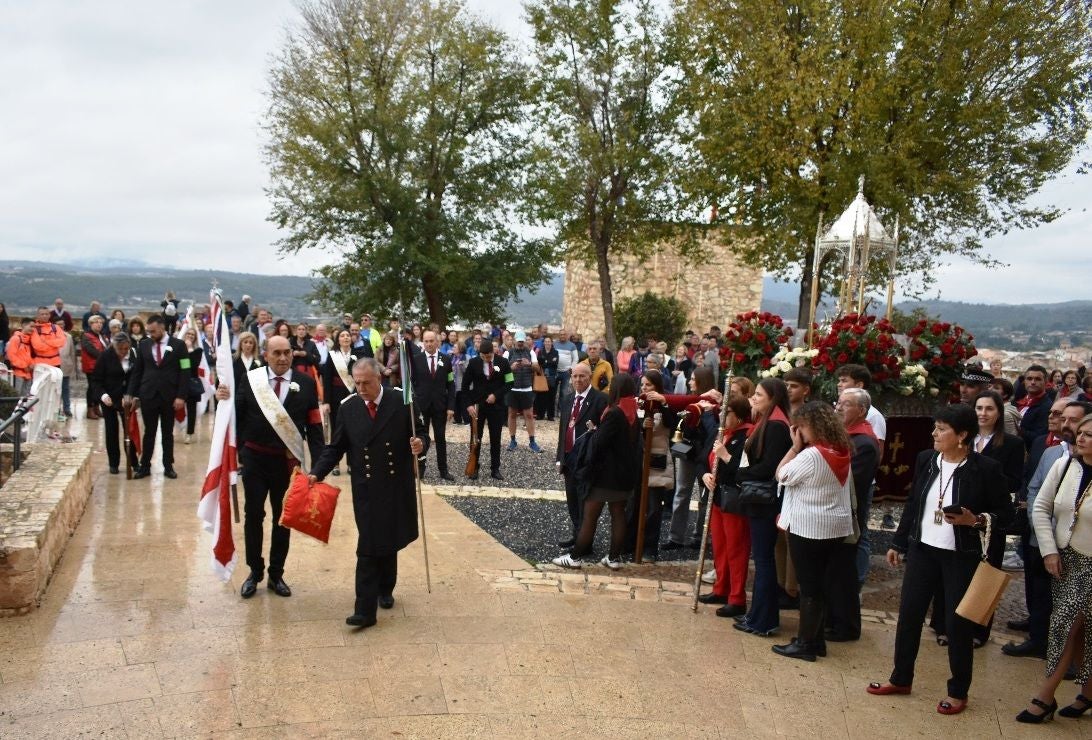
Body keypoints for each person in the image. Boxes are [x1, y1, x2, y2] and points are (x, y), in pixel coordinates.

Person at [867, 404, 1012, 716]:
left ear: (962, 435)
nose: (934, 433)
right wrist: (898, 541)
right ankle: (901, 678)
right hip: (923, 550)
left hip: (961, 556)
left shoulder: (984, 469)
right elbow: (913, 503)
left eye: (942, 429)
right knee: (909, 616)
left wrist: (977, 520)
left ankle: (959, 691)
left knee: (956, 625)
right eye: (935, 427)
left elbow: (1008, 515)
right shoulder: (926, 460)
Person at [309, 359, 427, 628]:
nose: (361, 387)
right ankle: (364, 609)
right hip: (367, 487)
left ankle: (386, 588)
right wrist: (317, 472)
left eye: (366, 382)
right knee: (369, 545)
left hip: (397, 484)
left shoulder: (402, 401)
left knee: (389, 538)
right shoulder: (348, 408)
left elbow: (420, 432)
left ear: (380, 379)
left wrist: (421, 443)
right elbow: (335, 447)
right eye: (357, 382)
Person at [216, 335, 324, 599]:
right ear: (266, 355)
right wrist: (223, 399)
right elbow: (236, 416)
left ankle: (277, 574)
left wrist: (319, 467)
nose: (283, 358)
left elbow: (314, 427)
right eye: (276, 353)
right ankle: (255, 571)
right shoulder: (251, 380)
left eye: (287, 352)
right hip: (254, 460)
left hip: (287, 463)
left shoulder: (306, 384)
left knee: (282, 518)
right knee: (253, 515)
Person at [1017, 413, 1092, 722]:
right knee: (1082, 630)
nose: (1082, 437)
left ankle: (1044, 697)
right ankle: (1088, 693)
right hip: (1064, 559)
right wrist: (1048, 550)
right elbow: (1040, 506)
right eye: (1082, 432)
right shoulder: (1065, 466)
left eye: (1090, 434)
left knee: (1064, 624)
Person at [770, 401, 855, 661]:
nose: (799, 431)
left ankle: (805, 645)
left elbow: (781, 474)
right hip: (834, 525)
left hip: (809, 527)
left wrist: (795, 448)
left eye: (802, 427)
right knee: (820, 584)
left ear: (813, 427)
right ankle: (815, 640)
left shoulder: (812, 455)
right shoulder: (841, 449)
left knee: (809, 587)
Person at [1005, 400, 1088, 659]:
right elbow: (1035, 490)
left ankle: (1070, 654)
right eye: (1063, 418)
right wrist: (1039, 529)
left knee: (1072, 603)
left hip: (1079, 545)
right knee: (1038, 591)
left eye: (1073, 420)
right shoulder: (1051, 452)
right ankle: (1039, 639)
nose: (1066, 424)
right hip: (1042, 536)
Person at [552, 373, 641, 569]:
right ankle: (614, 558)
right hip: (625, 473)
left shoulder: (615, 412)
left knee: (590, 516)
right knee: (618, 515)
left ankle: (575, 557)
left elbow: (600, 442)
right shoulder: (633, 410)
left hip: (606, 475)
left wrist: (594, 430)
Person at [733, 378, 793, 638]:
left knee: (764, 559)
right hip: (760, 499)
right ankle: (758, 614)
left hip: (765, 501)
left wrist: (739, 473)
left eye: (758, 394)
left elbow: (770, 468)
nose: (754, 398)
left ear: (773, 398)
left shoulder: (777, 426)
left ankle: (763, 619)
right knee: (762, 559)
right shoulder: (769, 421)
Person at [827, 387, 880, 641]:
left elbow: (851, 481)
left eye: (845, 404)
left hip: (846, 516)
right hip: (834, 513)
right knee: (833, 572)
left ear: (861, 410)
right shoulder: (846, 435)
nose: (838, 407)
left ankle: (845, 626)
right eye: (838, 402)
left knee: (843, 574)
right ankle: (832, 619)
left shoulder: (864, 442)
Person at [698, 395, 753, 616]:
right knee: (720, 546)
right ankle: (721, 587)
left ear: (738, 416)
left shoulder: (747, 436)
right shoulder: (722, 433)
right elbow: (704, 458)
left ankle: (737, 597)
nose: (720, 416)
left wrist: (726, 456)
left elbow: (743, 470)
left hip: (734, 500)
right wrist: (704, 474)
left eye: (725, 412)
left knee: (736, 549)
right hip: (718, 498)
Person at [623, 369, 677, 562]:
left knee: (654, 507)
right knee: (634, 503)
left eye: (649, 385)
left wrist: (662, 404)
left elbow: (672, 424)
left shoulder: (665, 405)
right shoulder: (637, 405)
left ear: (658, 387)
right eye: (643, 385)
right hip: (638, 459)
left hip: (657, 458)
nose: (645, 388)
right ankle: (629, 543)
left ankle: (649, 548)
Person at [126, 315, 189, 479]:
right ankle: (145, 465)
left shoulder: (179, 345)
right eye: (148, 331)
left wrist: (181, 396)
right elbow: (137, 371)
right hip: (149, 395)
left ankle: (168, 465)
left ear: (162, 328)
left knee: (167, 432)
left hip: (170, 396)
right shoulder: (144, 345)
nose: (150, 334)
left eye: (153, 331)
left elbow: (185, 371)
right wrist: (130, 393)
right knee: (149, 432)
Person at [555, 362, 609, 546]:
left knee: (584, 502)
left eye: (582, 376)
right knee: (572, 501)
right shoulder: (568, 399)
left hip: (587, 460)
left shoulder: (600, 399)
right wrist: (559, 457)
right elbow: (564, 429)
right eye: (575, 376)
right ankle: (577, 534)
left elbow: (603, 431)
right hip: (569, 458)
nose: (578, 379)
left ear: (590, 376)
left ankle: (585, 542)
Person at [665, 367, 719, 549]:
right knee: (682, 492)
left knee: (705, 495)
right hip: (688, 451)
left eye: (693, 379)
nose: (689, 382)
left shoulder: (713, 402)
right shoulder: (692, 400)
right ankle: (676, 537)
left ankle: (700, 537)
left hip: (706, 454)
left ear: (703, 381)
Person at [461, 340, 513, 480]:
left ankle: (495, 469)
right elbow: (465, 386)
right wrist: (468, 405)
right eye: (483, 357)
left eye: (488, 356)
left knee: (495, 438)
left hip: (496, 407)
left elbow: (510, 382)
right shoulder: (473, 363)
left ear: (493, 352)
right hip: (477, 407)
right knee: (475, 438)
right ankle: (475, 467)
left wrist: (496, 395)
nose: (485, 359)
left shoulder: (503, 362)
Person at [412, 330, 456, 481]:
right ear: (423, 342)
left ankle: (443, 470)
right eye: (426, 341)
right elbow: (412, 384)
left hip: (440, 406)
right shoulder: (416, 360)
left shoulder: (446, 359)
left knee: (440, 438)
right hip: (421, 407)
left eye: (432, 341)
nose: (429, 344)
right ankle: (421, 468)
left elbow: (450, 384)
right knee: (422, 439)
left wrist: (451, 406)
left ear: (437, 342)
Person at [90, 333, 135, 474]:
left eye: (126, 349)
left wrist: (130, 395)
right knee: (111, 430)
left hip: (126, 398)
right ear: (114, 347)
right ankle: (113, 463)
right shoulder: (105, 356)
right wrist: (103, 396)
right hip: (109, 397)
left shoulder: (133, 355)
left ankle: (133, 462)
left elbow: (135, 378)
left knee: (130, 430)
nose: (123, 352)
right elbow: (96, 380)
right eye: (120, 349)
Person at [504, 331, 543, 453]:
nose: (520, 343)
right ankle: (512, 440)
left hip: (526, 388)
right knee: (511, 414)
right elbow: (502, 371)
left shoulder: (530, 352)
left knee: (529, 415)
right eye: (519, 341)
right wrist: (511, 367)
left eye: (522, 341)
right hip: (512, 388)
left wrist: (529, 364)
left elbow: (538, 369)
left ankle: (532, 442)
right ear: (515, 341)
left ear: (524, 341)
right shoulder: (507, 353)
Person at [80, 315, 110, 420]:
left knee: (99, 387)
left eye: (101, 322)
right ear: (91, 324)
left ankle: (97, 408)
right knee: (92, 388)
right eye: (96, 322)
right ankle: (90, 409)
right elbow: (90, 350)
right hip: (92, 366)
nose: (99, 324)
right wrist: (104, 357)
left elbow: (107, 347)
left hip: (102, 366)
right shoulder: (86, 336)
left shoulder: (102, 335)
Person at [1018, 364, 1054, 450]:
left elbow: (1040, 437)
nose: (1033, 382)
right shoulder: (1018, 401)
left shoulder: (1047, 407)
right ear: (1025, 381)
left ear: (1046, 382)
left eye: (1038, 379)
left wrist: (1017, 429)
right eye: (1029, 378)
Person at [181, 328, 204, 444]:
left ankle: (189, 433)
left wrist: (189, 349)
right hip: (179, 383)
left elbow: (192, 365)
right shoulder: (178, 348)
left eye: (192, 335)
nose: (190, 336)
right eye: (188, 334)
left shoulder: (198, 350)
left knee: (191, 410)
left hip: (191, 383)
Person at [535, 335, 559, 421]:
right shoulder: (540, 352)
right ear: (544, 343)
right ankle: (540, 415)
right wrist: (549, 361)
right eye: (546, 341)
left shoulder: (555, 352)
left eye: (549, 341)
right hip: (542, 376)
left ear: (552, 343)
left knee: (551, 396)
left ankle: (550, 416)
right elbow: (540, 363)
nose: (547, 343)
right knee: (541, 396)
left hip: (552, 377)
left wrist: (545, 361)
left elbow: (555, 363)